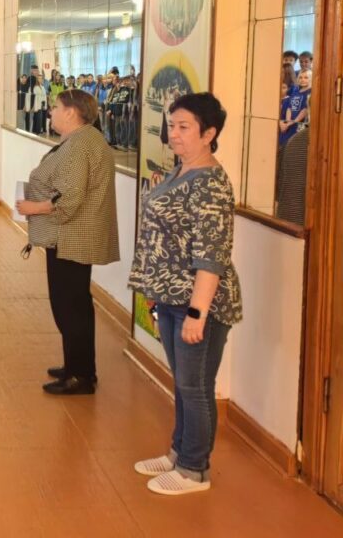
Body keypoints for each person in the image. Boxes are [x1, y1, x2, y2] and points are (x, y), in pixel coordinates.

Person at [129, 93, 240, 496]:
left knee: (196, 387)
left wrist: (198, 313)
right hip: (172, 297)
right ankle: (179, 452)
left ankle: (195, 469)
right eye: (171, 125)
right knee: (182, 383)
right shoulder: (181, 170)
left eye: (184, 127)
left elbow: (212, 256)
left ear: (209, 134)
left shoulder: (209, 183)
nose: (173, 134)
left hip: (198, 303)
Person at [16, 89, 119, 396]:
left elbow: (69, 197)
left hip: (72, 237)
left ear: (72, 112)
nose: (51, 112)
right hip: (71, 236)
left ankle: (80, 376)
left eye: (55, 107)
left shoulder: (80, 145)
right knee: (75, 305)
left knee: (69, 306)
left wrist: (34, 207)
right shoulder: (83, 140)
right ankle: (78, 366)